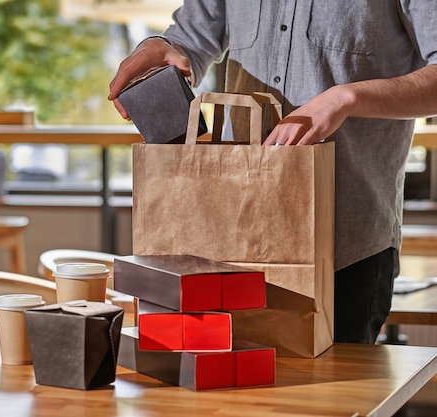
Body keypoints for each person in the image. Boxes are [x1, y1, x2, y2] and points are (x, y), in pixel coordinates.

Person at [108, 2, 437, 344]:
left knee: (328, 395)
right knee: (209, 391)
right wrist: (164, 47)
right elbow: (190, 40)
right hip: (224, 231)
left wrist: (346, 97)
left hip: (344, 246)